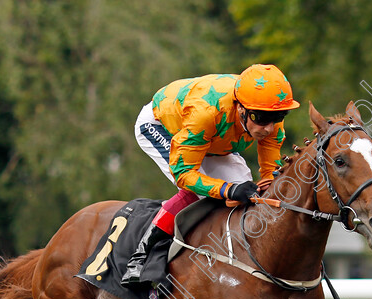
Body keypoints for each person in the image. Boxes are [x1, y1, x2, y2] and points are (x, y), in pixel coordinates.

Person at [121, 64, 301, 286]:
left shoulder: (268, 113)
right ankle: (141, 257)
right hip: (164, 126)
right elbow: (184, 175)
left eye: (278, 117)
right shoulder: (205, 113)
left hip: (210, 136)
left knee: (245, 186)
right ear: (241, 109)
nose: (268, 128)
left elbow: (270, 175)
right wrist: (228, 189)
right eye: (261, 118)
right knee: (202, 191)